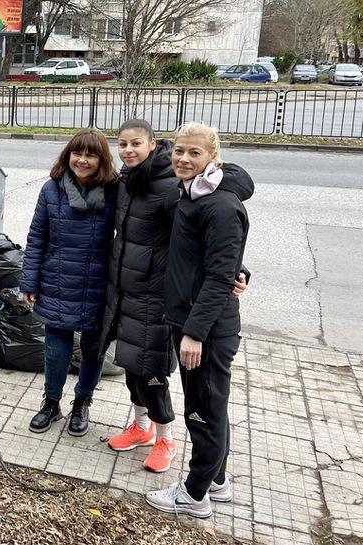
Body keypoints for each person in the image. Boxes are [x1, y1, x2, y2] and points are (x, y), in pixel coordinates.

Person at [102, 120, 250, 474]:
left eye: (136, 143)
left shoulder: (173, 185)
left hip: (158, 294)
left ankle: (166, 437)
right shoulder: (128, 180)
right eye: (122, 144)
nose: (128, 151)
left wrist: (238, 271)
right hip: (125, 288)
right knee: (129, 365)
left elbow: (201, 240)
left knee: (151, 370)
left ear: (154, 145)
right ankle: (141, 428)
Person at [145, 122, 253, 519]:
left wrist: (194, 333)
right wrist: (240, 271)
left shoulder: (220, 205)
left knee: (202, 411)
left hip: (205, 328)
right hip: (194, 319)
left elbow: (219, 274)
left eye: (194, 153)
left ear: (213, 157)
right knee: (211, 405)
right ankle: (217, 481)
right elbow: (220, 261)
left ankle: (194, 495)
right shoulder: (193, 194)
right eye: (179, 151)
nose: (184, 159)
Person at [21, 128, 117, 436]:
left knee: (93, 351)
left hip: (98, 286)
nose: (83, 160)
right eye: (77, 153)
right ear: (68, 155)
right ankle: (51, 403)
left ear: (102, 159)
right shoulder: (52, 190)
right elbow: (36, 238)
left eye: (91, 154)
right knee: (56, 352)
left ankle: (82, 402)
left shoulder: (115, 191)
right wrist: (29, 281)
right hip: (58, 281)